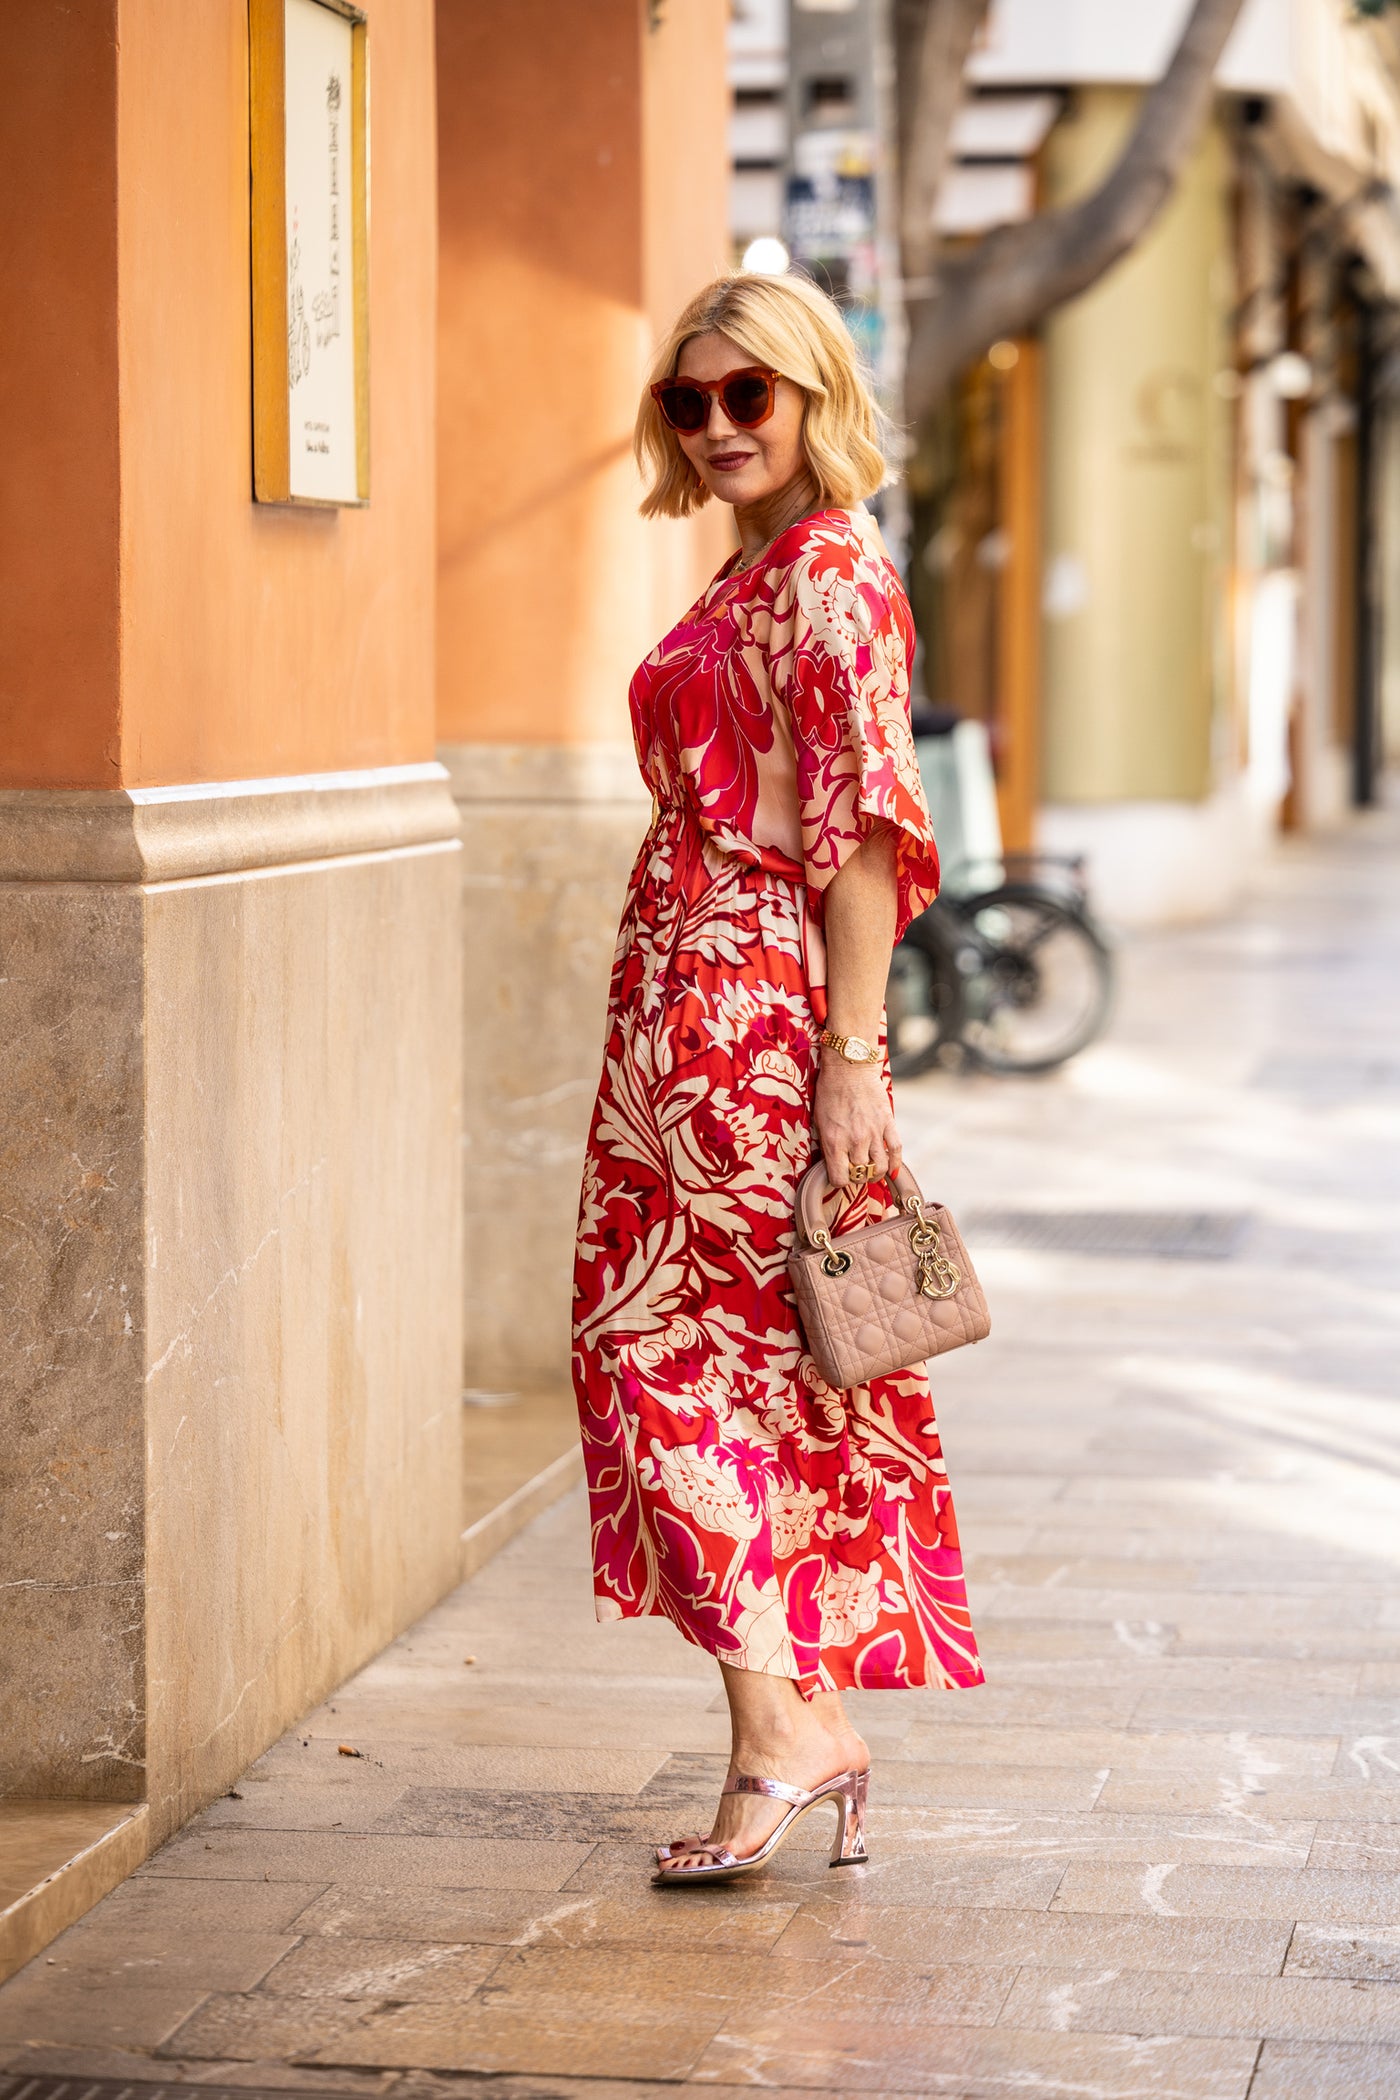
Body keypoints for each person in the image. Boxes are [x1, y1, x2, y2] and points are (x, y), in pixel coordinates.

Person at [571, 272, 983, 1884]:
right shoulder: (750, 571)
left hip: (751, 1022)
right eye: (692, 400)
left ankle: (786, 1732)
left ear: (816, 396)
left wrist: (853, 1064)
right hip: (671, 1024)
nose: (724, 424)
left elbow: (866, 834)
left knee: (680, 1366)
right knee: (697, 1368)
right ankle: (797, 1717)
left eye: (753, 394)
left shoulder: (832, 578)